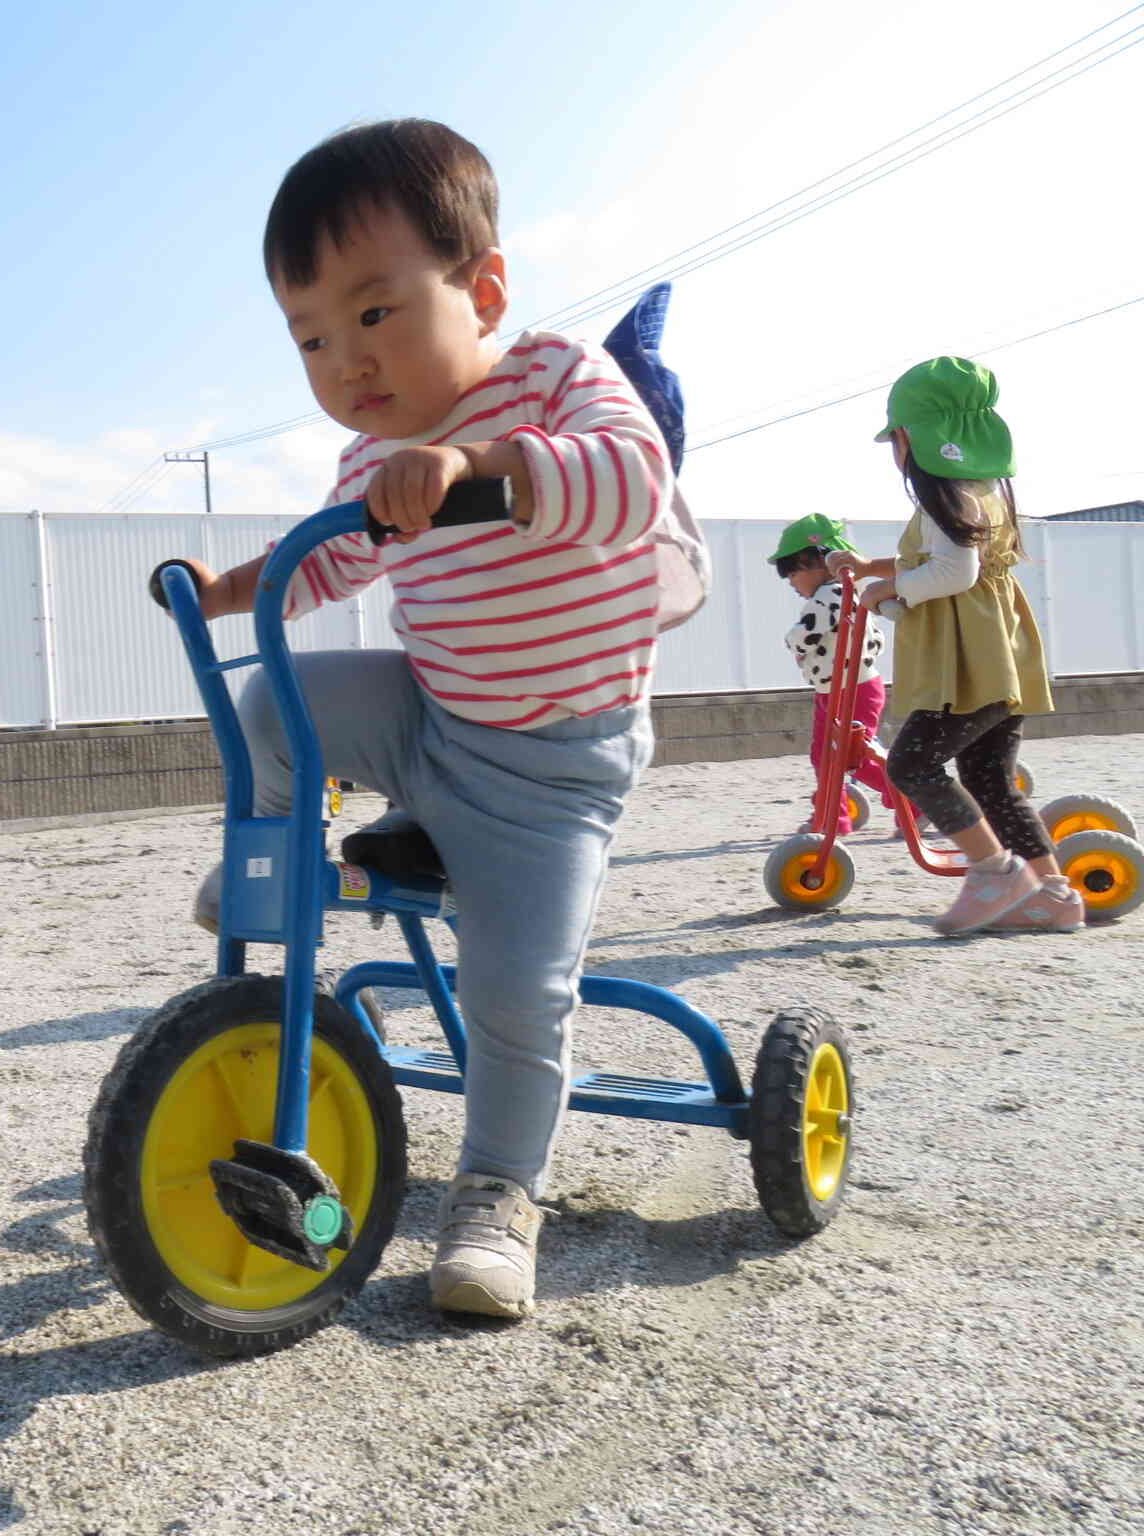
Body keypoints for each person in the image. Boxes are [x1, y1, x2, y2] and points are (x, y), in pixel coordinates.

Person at [161, 120, 705, 1319]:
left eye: (372, 312)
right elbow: (318, 567)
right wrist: (227, 591)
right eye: (308, 336)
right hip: (433, 720)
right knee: (277, 696)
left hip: (553, 767)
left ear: (484, 289)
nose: (344, 360)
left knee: (513, 994)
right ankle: (267, 854)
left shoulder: (558, 373)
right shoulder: (368, 456)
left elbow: (631, 481)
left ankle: (499, 1197)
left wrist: (477, 465)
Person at [825, 357, 1074, 934]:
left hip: (968, 666)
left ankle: (995, 871)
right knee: (989, 776)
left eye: (897, 436)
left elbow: (953, 573)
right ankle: (1055, 895)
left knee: (912, 763)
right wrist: (875, 572)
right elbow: (953, 561)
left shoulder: (944, 497)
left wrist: (889, 591)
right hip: (1002, 656)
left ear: (914, 438)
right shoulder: (982, 490)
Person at [769, 514, 891, 834]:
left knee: (849, 757)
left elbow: (802, 635)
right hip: (842, 689)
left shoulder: (830, 596)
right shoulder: (850, 592)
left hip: (852, 691)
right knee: (831, 756)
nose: (792, 582)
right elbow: (875, 639)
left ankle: (912, 800)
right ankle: (834, 816)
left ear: (817, 564)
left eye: (793, 573)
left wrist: (792, 644)